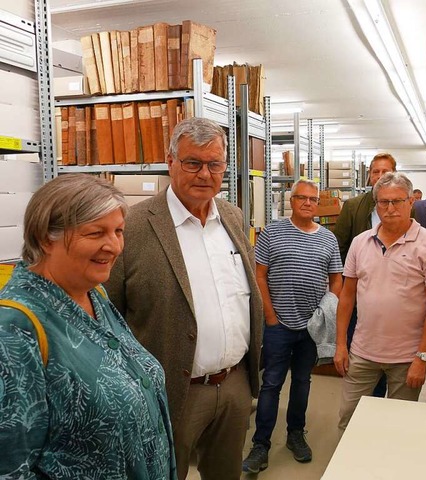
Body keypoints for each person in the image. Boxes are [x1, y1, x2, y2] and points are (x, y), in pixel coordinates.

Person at [105, 117, 263, 480]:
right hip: (172, 392)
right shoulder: (133, 225)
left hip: (235, 383)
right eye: (193, 163)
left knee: (225, 473)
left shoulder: (232, 217)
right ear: (171, 161)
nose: (204, 174)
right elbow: (108, 316)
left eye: (214, 164)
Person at [0, 174, 176, 479]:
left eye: (118, 231)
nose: (114, 247)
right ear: (45, 237)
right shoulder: (15, 329)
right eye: (96, 233)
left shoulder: (94, 294)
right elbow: (10, 467)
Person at [242, 179, 343, 473]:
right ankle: (260, 444)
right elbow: (260, 275)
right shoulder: (272, 233)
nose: (308, 203)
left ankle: (295, 435)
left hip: (312, 327)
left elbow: (336, 278)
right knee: (271, 383)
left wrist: (327, 309)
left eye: (313, 199)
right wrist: (271, 317)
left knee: (302, 382)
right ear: (292, 200)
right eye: (302, 198)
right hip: (279, 325)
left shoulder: (328, 239)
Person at [334, 172, 426, 430]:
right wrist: (340, 344)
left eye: (397, 201)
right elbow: (347, 296)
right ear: (376, 205)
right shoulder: (360, 243)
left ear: (411, 202)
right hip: (362, 352)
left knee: (399, 427)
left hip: (407, 358)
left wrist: (422, 357)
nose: (390, 208)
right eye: (383, 202)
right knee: (349, 420)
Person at [333, 152, 397, 398]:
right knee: (359, 354)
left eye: (386, 172)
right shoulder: (352, 207)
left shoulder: (404, 207)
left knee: (387, 355)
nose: (380, 177)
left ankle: (379, 405)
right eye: (376, 172)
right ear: (369, 176)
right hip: (358, 294)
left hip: (391, 296)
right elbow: (338, 248)